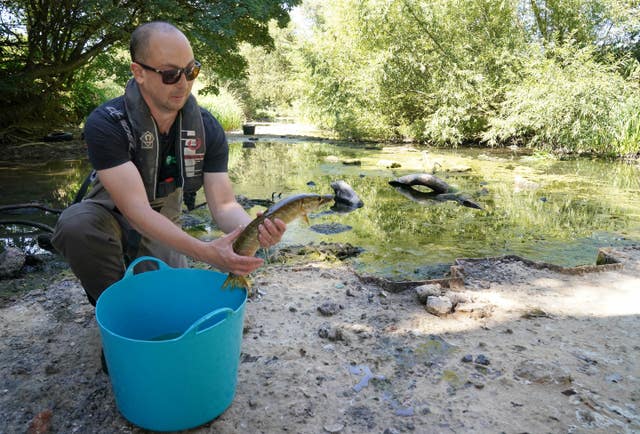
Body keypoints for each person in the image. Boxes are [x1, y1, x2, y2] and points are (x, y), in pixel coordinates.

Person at [51, 21, 286, 308]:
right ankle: (117, 312)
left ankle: (145, 304)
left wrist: (255, 228)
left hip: (165, 217)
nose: (183, 83)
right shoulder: (107, 123)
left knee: (172, 304)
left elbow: (224, 205)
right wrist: (205, 252)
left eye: (191, 71)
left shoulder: (207, 128)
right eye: (170, 74)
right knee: (76, 225)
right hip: (110, 212)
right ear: (138, 72)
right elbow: (135, 212)